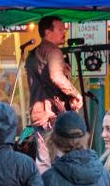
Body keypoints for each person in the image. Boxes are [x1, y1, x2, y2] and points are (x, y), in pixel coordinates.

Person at [27, 16, 83, 170]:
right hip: (54, 115)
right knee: (62, 158)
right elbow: (56, 77)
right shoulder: (54, 51)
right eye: (60, 29)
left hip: (39, 114)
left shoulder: (33, 55)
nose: (64, 32)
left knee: (43, 161)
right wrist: (76, 94)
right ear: (48, 32)